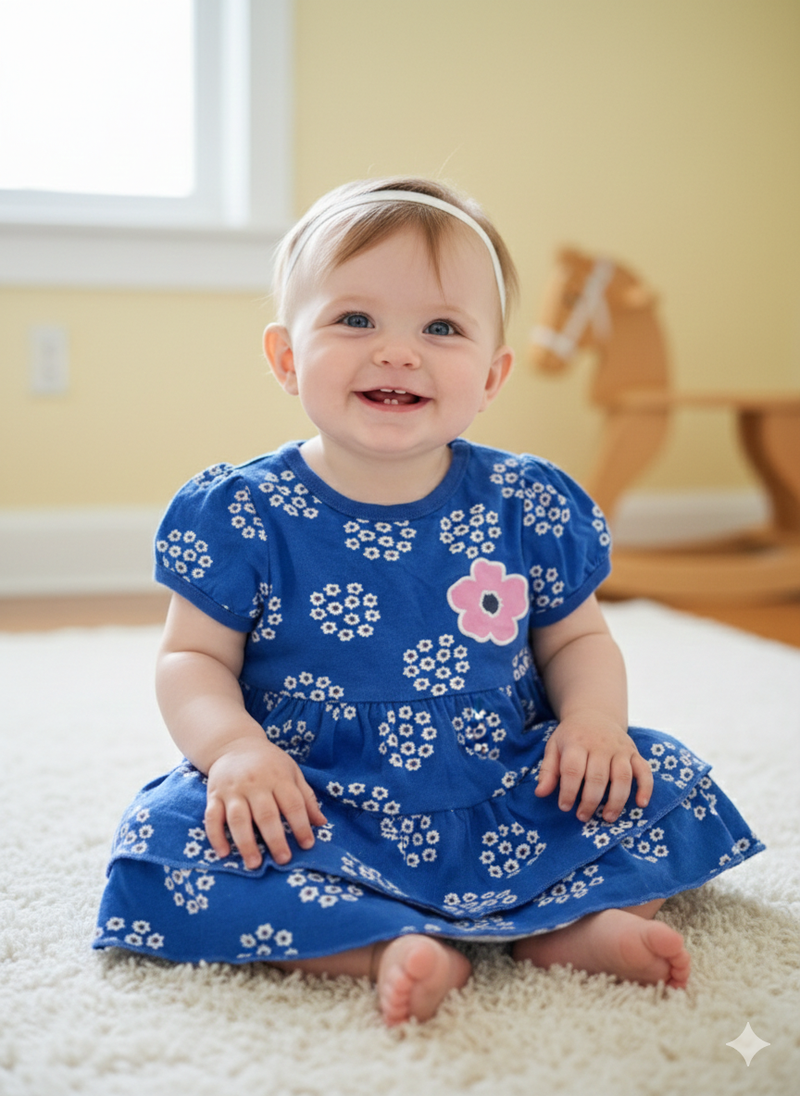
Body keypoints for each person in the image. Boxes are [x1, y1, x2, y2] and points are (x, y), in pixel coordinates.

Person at [95, 177, 763, 1026]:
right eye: (356, 320)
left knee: (662, 786)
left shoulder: (528, 502)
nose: (398, 352)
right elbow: (191, 659)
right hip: (314, 796)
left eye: (441, 328)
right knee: (164, 844)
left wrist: (592, 723)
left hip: (503, 777)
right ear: (286, 357)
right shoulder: (242, 513)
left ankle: (572, 927)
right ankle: (382, 947)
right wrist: (232, 753)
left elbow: (577, 641)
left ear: (491, 375)